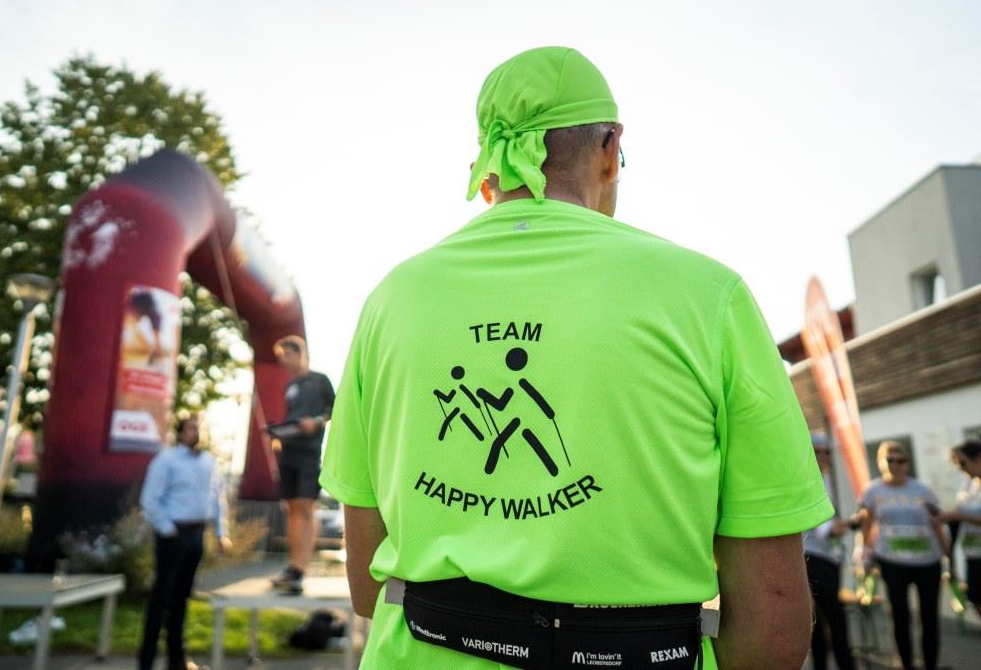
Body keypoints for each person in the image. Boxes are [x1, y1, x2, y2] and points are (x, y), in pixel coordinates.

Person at [320, 46, 833, 669]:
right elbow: (772, 626)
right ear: (610, 148)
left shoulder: (392, 299)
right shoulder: (707, 296)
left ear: (489, 166)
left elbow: (367, 586)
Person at [138, 413, 230, 670]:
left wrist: (221, 533)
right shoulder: (166, 460)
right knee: (161, 598)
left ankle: (176, 659)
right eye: (190, 428)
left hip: (196, 535)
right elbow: (150, 499)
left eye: (199, 427)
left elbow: (217, 499)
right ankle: (146, 660)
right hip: (173, 536)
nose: (196, 432)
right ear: (180, 433)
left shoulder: (209, 462)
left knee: (182, 598)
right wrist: (168, 529)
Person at [857, 440, 948, 670]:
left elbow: (937, 524)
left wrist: (948, 558)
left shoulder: (923, 490)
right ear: (881, 462)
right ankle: (906, 664)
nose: (895, 465)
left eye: (901, 460)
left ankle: (930, 664)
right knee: (900, 616)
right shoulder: (873, 490)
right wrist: (865, 556)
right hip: (892, 562)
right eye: (890, 460)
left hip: (927, 562)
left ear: (907, 463)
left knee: (929, 617)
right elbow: (866, 526)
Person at [270, 335, 334, 594]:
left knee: (306, 507)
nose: (283, 360)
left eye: (286, 354)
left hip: (309, 454)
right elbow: (291, 416)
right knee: (292, 508)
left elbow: (335, 410)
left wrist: (316, 422)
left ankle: (300, 569)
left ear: (299, 353)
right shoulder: (290, 386)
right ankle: (292, 566)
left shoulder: (320, 380)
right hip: (289, 451)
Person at [803, 434, 857, 670]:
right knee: (832, 618)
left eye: (827, 452)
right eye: (818, 451)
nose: (823, 456)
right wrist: (851, 523)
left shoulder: (829, 478)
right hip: (812, 557)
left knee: (824, 619)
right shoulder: (807, 479)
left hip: (830, 557)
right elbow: (826, 527)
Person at [938, 438, 981, 618]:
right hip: (972, 554)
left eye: (963, 463)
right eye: (957, 464)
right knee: (975, 599)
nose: (960, 469)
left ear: (978, 458)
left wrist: (958, 516)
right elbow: (958, 514)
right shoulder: (968, 484)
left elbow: (960, 515)